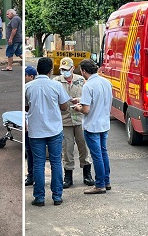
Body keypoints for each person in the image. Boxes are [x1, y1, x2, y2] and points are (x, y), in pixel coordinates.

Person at [25, 57, 71, 206]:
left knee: (38, 164)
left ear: (37, 70)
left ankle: (39, 198)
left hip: (36, 131)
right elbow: (64, 107)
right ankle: (57, 196)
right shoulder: (56, 86)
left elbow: (25, 107)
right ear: (51, 71)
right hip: (54, 130)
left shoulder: (28, 86)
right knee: (56, 162)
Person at [51, 57, 93, 188]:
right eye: (62, 70)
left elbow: (88, 98)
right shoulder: (56, 81)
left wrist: (79, 101)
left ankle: (87, 174)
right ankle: (68, 176)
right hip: (64, 120)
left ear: (72, 68)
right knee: (67, 148)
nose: (65, 72)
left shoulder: (81, 80)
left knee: (84, 147)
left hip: (80, 119)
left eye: (67, 69)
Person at [72, 59, 113, 194]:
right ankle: (106, 181)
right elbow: (101, 100)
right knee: (103, 152)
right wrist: (81, 100)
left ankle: (99, 184)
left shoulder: (88, 86)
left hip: (92, 125)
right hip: (104, 123)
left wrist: (78, 108)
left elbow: (86, 110)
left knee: (97, 156)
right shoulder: (106, 82)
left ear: (84, 71)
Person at [24, 65, 37, 186]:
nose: (24, 77)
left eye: (25, 75)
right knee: (30, 151)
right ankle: (31, 176)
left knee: (34, 152)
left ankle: (33, 176)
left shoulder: (30, 88)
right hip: (31, 125)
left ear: (31, 76)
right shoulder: (27, 88)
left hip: (33, 126)